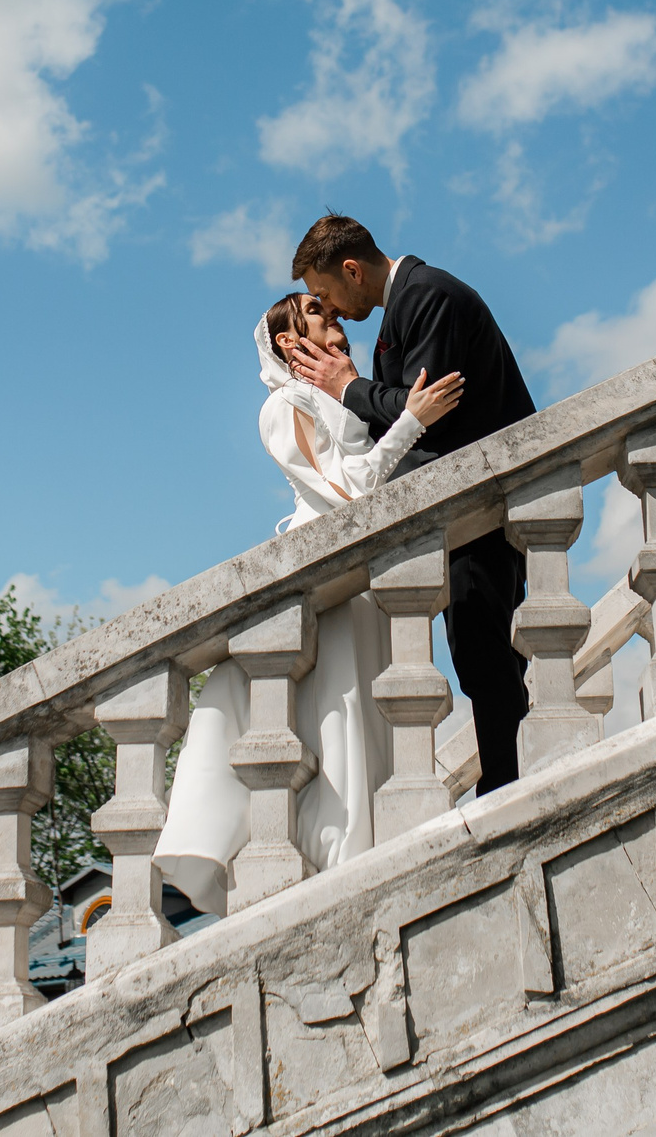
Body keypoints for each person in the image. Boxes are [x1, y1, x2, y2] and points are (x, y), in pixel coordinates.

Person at [151, 292, 464, 914]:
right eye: (317, 313)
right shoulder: (282, 406)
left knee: (376, 717)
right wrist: (412, 422)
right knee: (339, 713)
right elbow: (341, 494)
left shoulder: (339, 394)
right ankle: (341, 866)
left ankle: (380, 858)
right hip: (326, 581)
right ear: (290, 344)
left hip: (366, 578)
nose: (335, 319)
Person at [282, 214, 539, 794]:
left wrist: (348, 389)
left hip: (479, 511)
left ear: (351, 269)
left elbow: (429, 409)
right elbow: (408, 412)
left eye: (325, 293)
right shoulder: (408, 304)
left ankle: (507, 787)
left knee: (486, 658)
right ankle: (503, 780)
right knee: (478, 658)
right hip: (460, 516)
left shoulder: (427, 296)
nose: (333, 309)